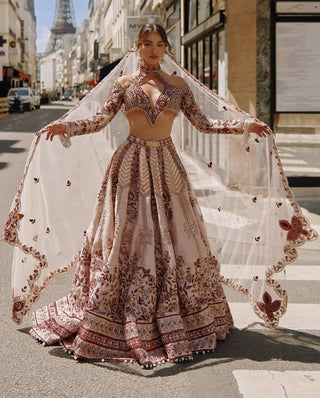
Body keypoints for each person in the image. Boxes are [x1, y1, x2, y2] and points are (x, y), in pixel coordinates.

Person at [2, 24, 317, 368]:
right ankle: (117, 309)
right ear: (137, 47)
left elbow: (204, 123)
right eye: (147, 44)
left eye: (159, 44)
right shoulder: (123, 85)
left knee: (177, 237)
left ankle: (184, 311)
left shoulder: (179, 86)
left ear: (167, 49)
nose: (153, 50)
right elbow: (99, 119)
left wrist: (243, 126)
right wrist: (67, 127)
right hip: (129, 167)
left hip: (167, 167)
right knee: (124, 234)